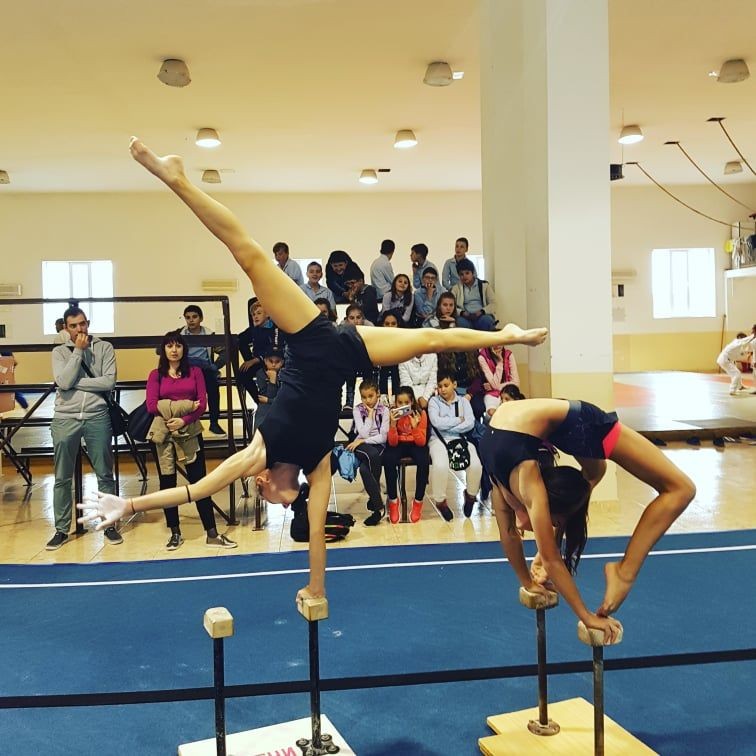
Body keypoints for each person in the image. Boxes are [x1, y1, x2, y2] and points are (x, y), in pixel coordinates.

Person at [79, 137, 547, 607]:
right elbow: (317, 533)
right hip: (347, 352)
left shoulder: (261, 452)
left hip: (307, 336)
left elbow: (197, 489)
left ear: (263, 479)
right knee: (430, 338)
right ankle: (506, 335)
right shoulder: (317, 465)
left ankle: (175, 177)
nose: (271, 496)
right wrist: (317, 588)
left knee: (249, 255)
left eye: (268, 496)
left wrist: (130, 504)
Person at [479, 398, 696, 643]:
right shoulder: (504, 484)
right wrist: (527, 582)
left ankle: (624, 572)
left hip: (582, 422)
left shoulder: (526, 479)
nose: (530, 530)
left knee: (680, 489)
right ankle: (588, 550)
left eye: (551, 525)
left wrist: (586, 616)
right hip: (533, 428)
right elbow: (508, 534)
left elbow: (551, 560)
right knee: (592, 476)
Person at [146, 331, 237, 550]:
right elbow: (151, 406)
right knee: (167, 484)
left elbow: (202, 404)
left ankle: (212, 533)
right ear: (164, 350)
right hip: (164, 433)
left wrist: (183, 419)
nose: (174, 350)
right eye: (170, 346)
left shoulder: (195, 372)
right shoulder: (156, 375)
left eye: (178, 346)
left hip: (190, 431)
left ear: (184, 349)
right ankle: (175, 532)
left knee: (200, 483)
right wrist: (186, 406)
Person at [46, 306, 122, 550]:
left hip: (97, 416)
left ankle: (109, 524)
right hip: (65, 418)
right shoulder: (59, 351)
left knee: (105, 474)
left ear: (88, 323)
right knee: (62, 477)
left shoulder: (104, 347)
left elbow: (108, 382)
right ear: (65, 328)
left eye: (82, 323)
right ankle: (61, 529)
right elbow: (63, 381)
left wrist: (74, 383)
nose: (79, 329)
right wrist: (77, 352)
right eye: (73, 326)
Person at [427, 370, 482, 521]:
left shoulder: (464, 402)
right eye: (440, 386)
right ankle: (440, 501)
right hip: (438, 440)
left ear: (454, 385)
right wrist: (458, 420)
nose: (443, 389)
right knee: (440, 465)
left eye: (446, 385)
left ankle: (470, 496)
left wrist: (450, 426)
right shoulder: (434, 402)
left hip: (461, 438)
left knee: (476, 465)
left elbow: (470, 423)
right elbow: (436, 423)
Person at [384, 386, 429, 524]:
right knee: (388, 458)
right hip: (398, 443)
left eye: (406, 403)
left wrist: (415, 427)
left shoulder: (420, 414)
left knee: (423, 460)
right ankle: (393, 500)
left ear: (412, 402)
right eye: (400, 403)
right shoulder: (392, 414)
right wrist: (393, 425)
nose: (403, 406)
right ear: (395, 403)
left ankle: (418, 501)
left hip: (415, 442)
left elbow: (421, 442)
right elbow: (392, 443)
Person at [346, 380, 388, 525]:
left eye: (371, 396)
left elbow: (383, 437)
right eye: (364, 397)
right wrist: (369, 416)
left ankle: (376, 505)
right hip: (360, 444)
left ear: (378, 394)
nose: (367, 400)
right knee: (372, 455)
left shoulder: (384, 410)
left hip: (376, 444)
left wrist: (364, 441)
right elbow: (362, 433)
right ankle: (378, 504)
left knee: (365, 470)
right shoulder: (358, 410)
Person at [181, 304, 226, 435]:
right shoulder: (180, 335)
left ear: (201, 318)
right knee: (187, 393)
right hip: (187, 368)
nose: (191, 320)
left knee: (213, 390)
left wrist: (216, 366)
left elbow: (224, 352)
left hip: (205, 368)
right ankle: (189, 424)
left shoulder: (209, 335)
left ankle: (214, 423)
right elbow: (161, 348)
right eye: (188, 317)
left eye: (194, 317)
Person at [451, 258, 497, 331]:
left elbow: (494, 304)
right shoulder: (456, 288)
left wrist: (482, 312)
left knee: (487, 320)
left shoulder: (484, 286)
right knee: (459, 322)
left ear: (472, 273)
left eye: (467, 273)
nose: (464, 276)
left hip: (482, 316)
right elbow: (451, 306)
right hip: (465, 318)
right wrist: (462, 313)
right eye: (461, 274)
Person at [478, 345, 520, 416]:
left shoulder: (508, 355)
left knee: (515, 411)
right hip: (492, 394)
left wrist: (494, 386)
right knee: (492, 414)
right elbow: (495, 384)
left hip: (507, 392)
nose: (498, 345)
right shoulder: (482, 357)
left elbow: (516, 383)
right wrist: (500, 362)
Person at [716, 326, 756, 395]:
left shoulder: (738, 345)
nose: (744, 340)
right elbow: (744, 341)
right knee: (736, 374)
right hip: (725, 359)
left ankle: (740, 386)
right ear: (740, 338)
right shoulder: (737, 342)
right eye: (743, 338)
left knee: (736, 373)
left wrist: (749, 355)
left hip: (726, 360)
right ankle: (732, 390)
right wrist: (753, 336)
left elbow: (744, 350)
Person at [254, 345, 284, 431]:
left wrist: (268, 400)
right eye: (271, 361)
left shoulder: (286, 374)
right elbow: (265, 397)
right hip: (268, 406)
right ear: (265, 361)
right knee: (263, 411)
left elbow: (284, 400)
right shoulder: (260, 373)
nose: (274, 364)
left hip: (283, 407)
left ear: (282, 362)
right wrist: (272, 381)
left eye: (277, 361)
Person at [376, 310, 402, 400]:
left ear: (398, 325)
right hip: (384, 365)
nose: (390, 326)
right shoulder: (378, 338)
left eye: (393, 323)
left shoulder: (403, 337)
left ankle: (397, 398)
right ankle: (383, 398)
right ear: (382, 325)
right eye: (387, 324)